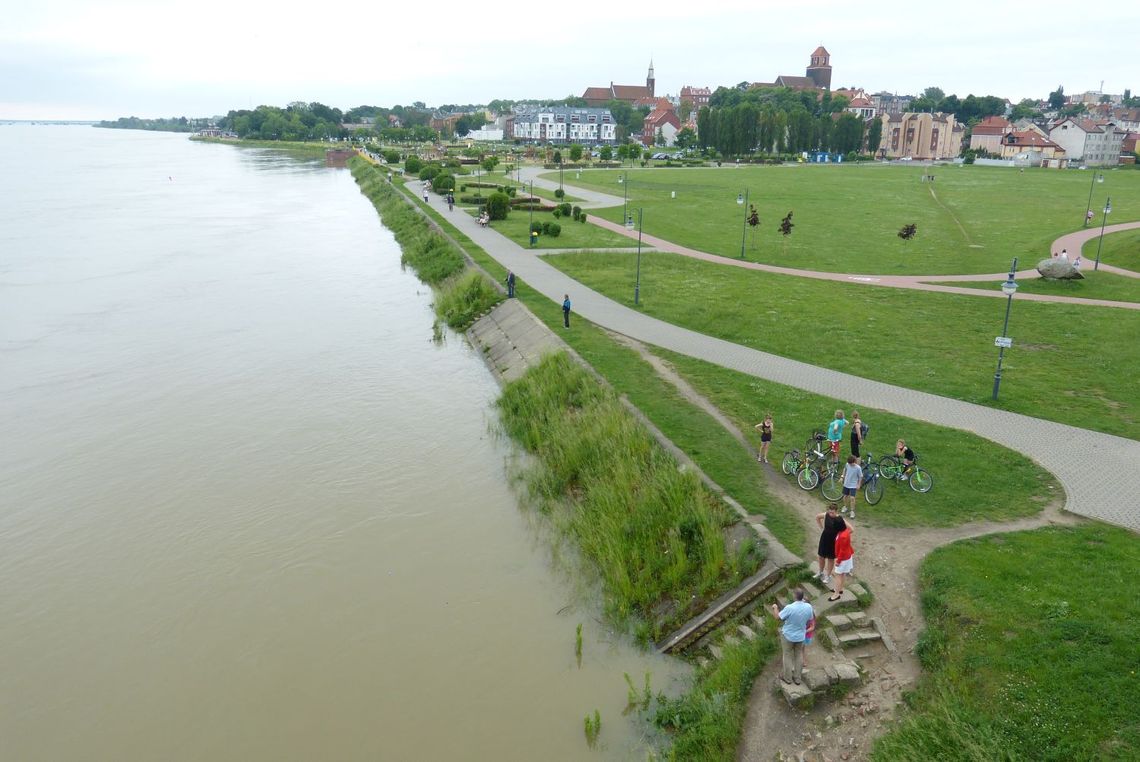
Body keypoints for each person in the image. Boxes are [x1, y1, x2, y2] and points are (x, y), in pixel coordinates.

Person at [769, 588, 814, 686]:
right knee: (799, 655)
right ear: (802, 596)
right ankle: (797, 678)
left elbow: (777, 617)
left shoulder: (790, 607)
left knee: (787, 655)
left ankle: (787, 678)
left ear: (794, 596)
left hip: (788, 635)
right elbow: (810, 619)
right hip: (801, 635)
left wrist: (775, 608)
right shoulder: (808, 607)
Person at [814, 503, 846, 585]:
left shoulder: (839, 519)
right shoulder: (826, 515)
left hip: (834, 541)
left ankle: (828, 576)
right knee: (821, 556)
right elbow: (817, 517)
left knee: (831, 559)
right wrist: (821, 528)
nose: (831, 514)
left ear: (836, 511)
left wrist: (841, 538)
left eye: (833, 512)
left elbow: (846, 530)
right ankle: (820, 572)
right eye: (830, 512)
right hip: (824, 538)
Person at [829, 522, 854, 601]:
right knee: (842, 574)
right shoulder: (844, 531)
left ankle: (836, 594)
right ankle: (840, 589)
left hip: (843, 559)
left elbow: (842, 551)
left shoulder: (843, 535)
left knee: (838, 575)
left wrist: (838, 561)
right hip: (846, 557)